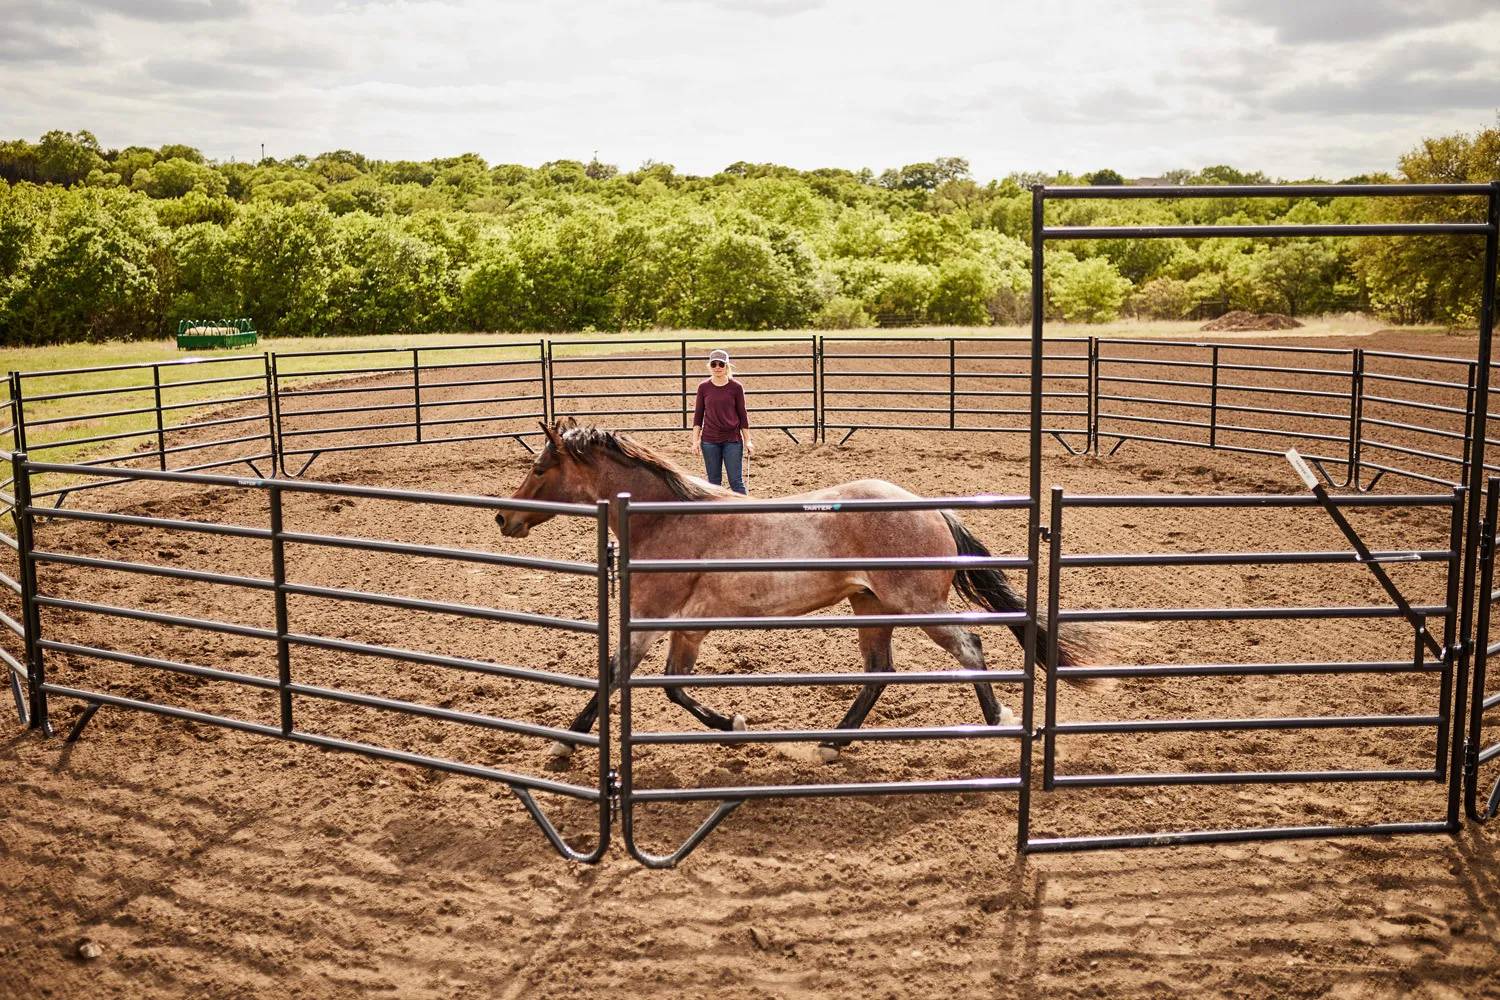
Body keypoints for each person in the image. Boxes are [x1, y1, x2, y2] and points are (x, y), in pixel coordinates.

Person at [692, 348, 754, 494]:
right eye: (714, 364)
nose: (718, 367)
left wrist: (748, 440)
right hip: (709, 440)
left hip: (732, 439)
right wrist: (695, 441)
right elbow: (698, 415)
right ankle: (716, 515)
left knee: (735, 481)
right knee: (713, 482)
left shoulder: (736, 387)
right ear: (710, 367)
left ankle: (745, 512)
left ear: (727, 366)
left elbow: (742, 415)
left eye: (721, 364)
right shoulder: (703, 387)